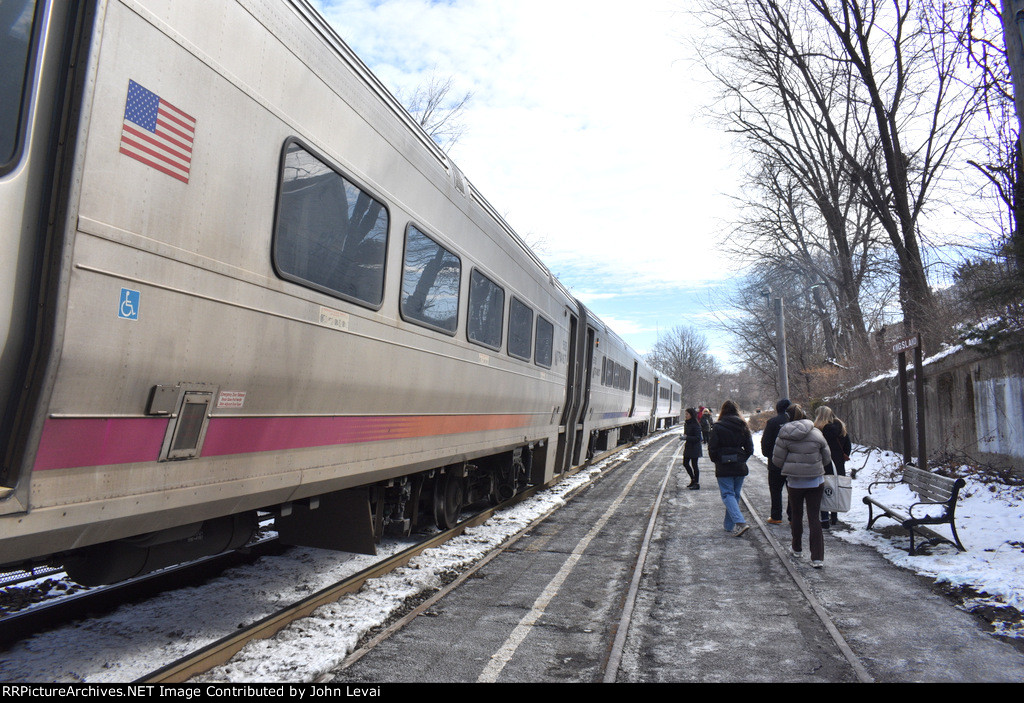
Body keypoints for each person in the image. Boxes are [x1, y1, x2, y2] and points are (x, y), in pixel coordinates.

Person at [772, 404, 831, 568]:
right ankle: (817, 557)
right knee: (814, 517)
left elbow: (777, 461)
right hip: (815, 481)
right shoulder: (816, 432)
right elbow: (827, 458)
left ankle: (797, 548)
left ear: (788, 418)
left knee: (796, 515)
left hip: (795, 482)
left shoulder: (783, 434)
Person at [708, 400, 755, 537]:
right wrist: (741, 458)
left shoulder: (717, 427)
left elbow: (712, 448)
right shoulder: (743, 425)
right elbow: (750, 448)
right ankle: (729, 526)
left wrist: (717, 460)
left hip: (724, 465)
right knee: (734, 494)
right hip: (739, 466)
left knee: (728, 494)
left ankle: (740, 522)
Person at [814, 406, 852, 527]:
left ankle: (824, 519)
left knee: (823, 490)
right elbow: (848, 447)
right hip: (838, 464)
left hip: (823, 463)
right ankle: (834, 516)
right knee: (835, 489)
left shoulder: (818, 430)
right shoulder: (841, 428)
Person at [760, 398, 791, 525]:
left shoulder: (772, 422)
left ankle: (776, 515)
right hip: (793, 462)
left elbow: (765, 442)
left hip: (775, 462)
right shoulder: (795, 422)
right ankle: (793, 516)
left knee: (775, 489)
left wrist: (769, 455)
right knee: (792, 490)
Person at [681, 408, 702, 490]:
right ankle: (693, 479)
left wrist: (687, 437)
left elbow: (698, 438)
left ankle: (696, 482)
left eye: (687, 414)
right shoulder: (687, 424)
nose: (685, 416)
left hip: (695, 447)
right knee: (685, 463)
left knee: (694, 465)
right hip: (689, 446)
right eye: (685, 414)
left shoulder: (695, 425)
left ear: (691, 415)